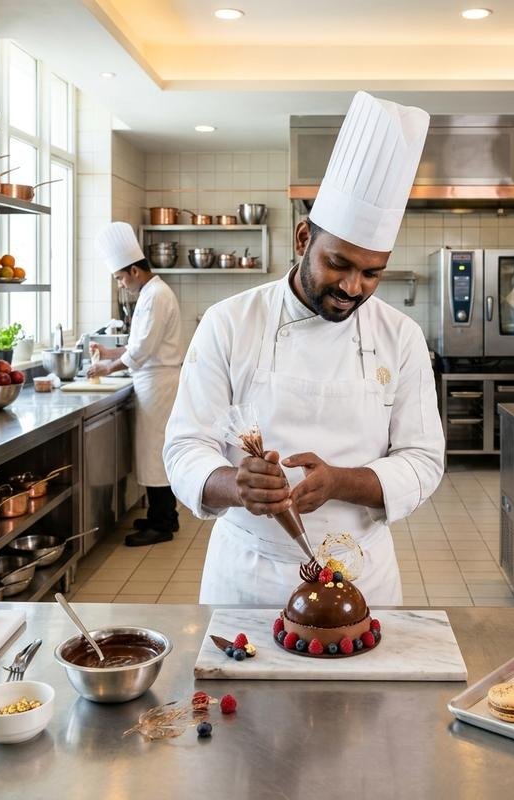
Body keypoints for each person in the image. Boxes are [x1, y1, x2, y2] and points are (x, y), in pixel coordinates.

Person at [163, 91, 446, 605]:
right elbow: (184, 448)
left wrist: (341, 481)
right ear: (302, 239)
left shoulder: (400, 336)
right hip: (250, 578)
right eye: (339, 264)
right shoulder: (229, 323)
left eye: (372, 272)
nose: (354, 287)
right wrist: (235, 484)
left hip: (362, 573)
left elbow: (424, 460)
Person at [88, 221, 183, 547]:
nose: (120, 285)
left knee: (156, 453)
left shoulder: (155, 295)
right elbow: (137, 344)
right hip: (151, 381)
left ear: (134, 271)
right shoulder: (150, 293)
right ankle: (164, 516)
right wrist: (108, 352)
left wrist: (107, 366)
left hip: (158, 383)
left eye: (120, 278)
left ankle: (162, 524)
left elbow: (142, 350)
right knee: (152, 453)